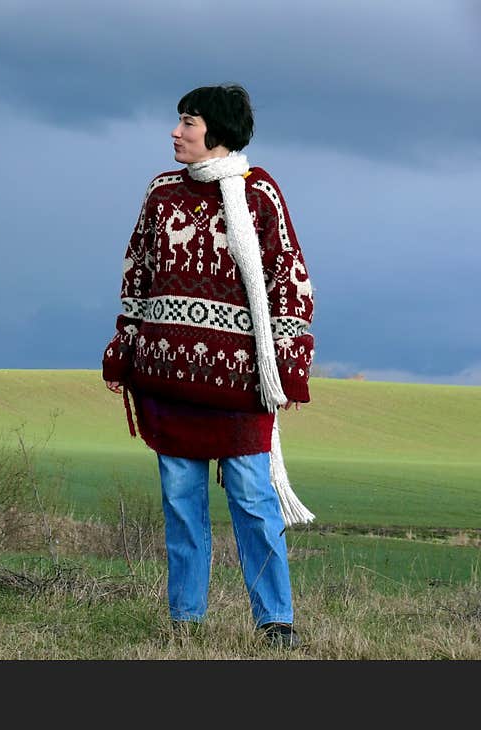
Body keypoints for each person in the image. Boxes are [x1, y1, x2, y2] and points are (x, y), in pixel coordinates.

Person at [101, 84, 315, 650]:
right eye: (178, 122)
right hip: (168, 379)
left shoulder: (259, 193)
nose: (176, 132)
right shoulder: (160, 193)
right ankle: (185, 622)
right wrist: (124, 348)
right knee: (180, 506)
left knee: (252, 502)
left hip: (240, 387)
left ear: (216, 132)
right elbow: (136, 276)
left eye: (188, 123)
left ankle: (275, 623)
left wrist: (290, 368)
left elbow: (289, 282)